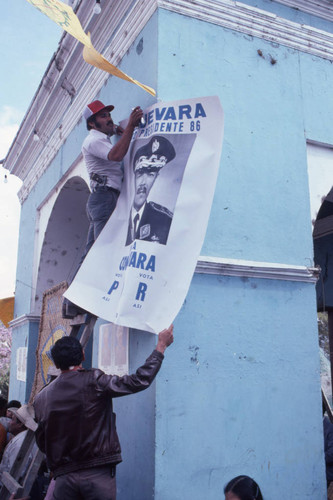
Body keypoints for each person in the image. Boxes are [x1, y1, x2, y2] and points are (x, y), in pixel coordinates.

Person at [33, 325, 174, 500]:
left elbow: (41, 440)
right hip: (97, 473)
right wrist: (160, 347)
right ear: (83, 355)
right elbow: (138, 381)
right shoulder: (94, 381)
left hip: (64, 477)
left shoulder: (41, 398)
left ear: (55, 363)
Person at [63, 100, 143, 318]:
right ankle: (81, 298)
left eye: (108, 114)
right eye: (103, 116)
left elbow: (114, 143)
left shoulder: (100, 138)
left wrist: (119, 130)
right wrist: (132, 127)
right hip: (105, 198)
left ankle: (71, 301)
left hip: (103, 198)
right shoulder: (93, 140)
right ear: (92, 123)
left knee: (92, 251)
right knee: (102, 250)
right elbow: (116, 155)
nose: (108, 118)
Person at [125, 135, 176, 246]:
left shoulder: (164, 219)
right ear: (134, 175)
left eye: (150, 175)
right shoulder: (119, 214)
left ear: (155, 178)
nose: (143, 182)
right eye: (140, 173)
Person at [0, 405, 37, 482]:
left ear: (20, 424)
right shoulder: (22, 438)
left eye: (12, 420)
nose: (9, 422)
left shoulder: (20, 443)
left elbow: (15, 474)